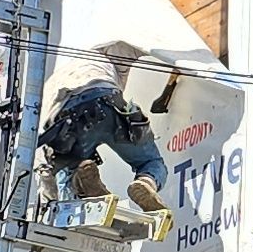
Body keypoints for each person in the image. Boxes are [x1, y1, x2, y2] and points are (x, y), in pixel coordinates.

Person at [36, 41, 170, 224]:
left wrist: (47, 206)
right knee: (150, 161)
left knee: (66, 184)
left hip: (67, 122)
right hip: (110, 103)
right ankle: (145, 182)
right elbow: (135, 43)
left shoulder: (43, 94)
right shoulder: (102, 53)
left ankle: (79, 183)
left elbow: (45, 168)